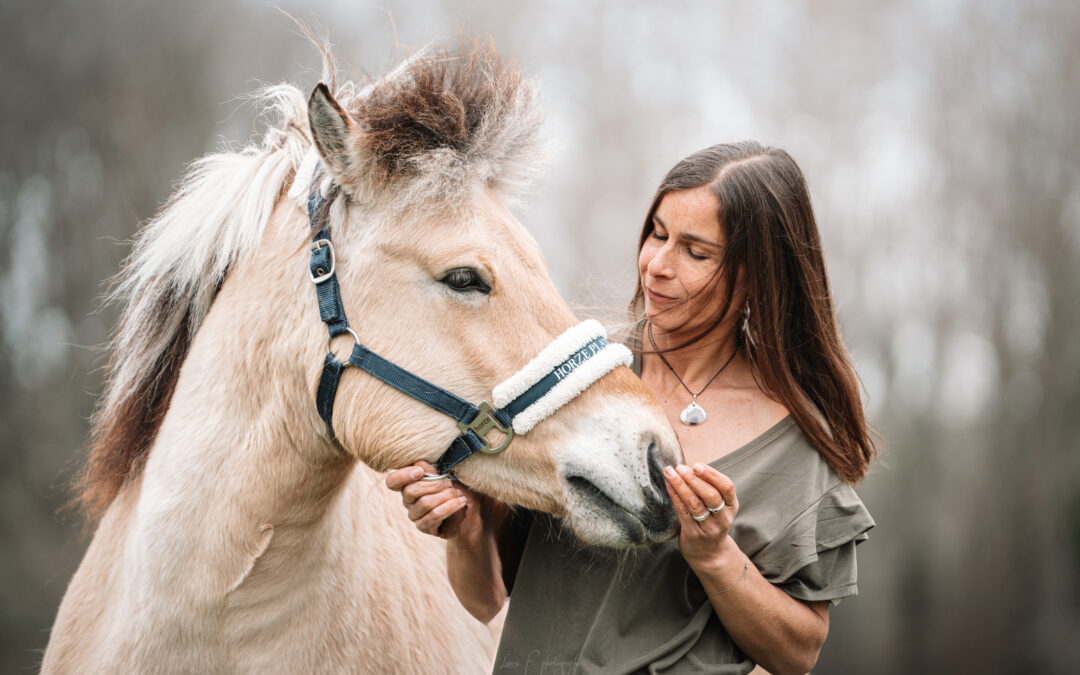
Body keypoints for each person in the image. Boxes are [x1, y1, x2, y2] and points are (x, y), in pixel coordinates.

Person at [386, 142, 876, 675]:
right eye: (657, 234)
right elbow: (484, 601)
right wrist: (467, 530)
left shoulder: (795, 445)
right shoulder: (573, 389)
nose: (657, 265)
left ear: (755, 275)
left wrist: (715, 557)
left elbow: (797, 652)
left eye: (696, 252)